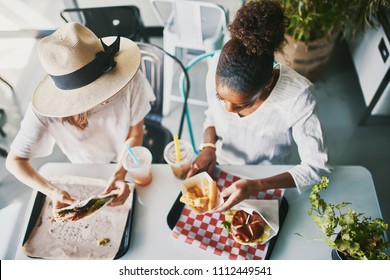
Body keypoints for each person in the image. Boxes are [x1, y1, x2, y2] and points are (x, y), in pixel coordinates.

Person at [186, 0, 331, 211]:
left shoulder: (299, 97)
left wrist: (257, 185)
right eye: (221, 99)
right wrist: (209, 146)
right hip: (222, 165)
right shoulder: (217, 66)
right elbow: (212, 115)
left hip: (270, 175)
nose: (228, 110)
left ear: (268, 84)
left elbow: (317, 167)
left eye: (241, 105)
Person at [5, 22, 155, 209]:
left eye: (109, 84)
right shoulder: (45, 110)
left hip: (125, 159)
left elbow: (135, 133)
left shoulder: (131, 80)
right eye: (95, 93)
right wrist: (52, 191)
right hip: (86, 166)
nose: (107, 99)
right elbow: (15, 161)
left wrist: (119, 173)